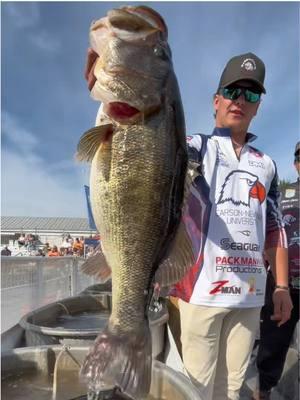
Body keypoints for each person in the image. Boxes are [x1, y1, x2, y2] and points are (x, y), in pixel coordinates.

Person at [83, 49, 293, 399]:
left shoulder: (267, 165)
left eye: (251, 94)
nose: (240, 100)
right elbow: (144, 147)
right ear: (216, 101)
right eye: (232, 91)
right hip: (199, 293)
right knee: (196, 386)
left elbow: (274, 228)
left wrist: (282, 287)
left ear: (257, 107)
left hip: (250, 295)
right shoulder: (192, 147)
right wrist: (114, 93)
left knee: (233, 386)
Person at [252, 142, 300, 400]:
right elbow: (266, 229)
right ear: (295, 163)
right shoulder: (282, 193)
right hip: (282, 283)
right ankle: (262, 392)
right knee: (271, 346)